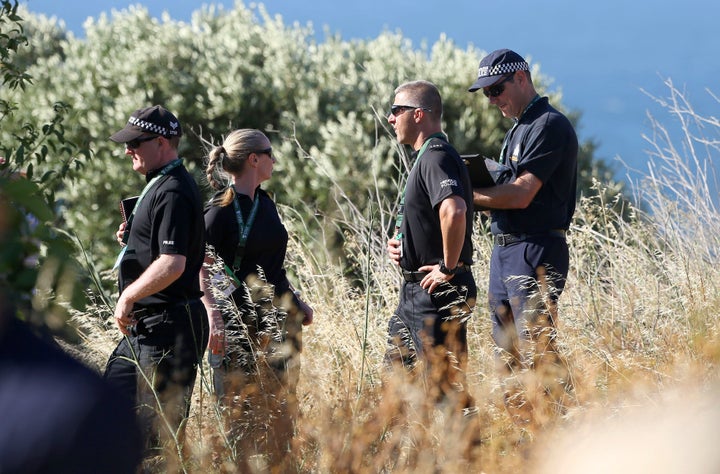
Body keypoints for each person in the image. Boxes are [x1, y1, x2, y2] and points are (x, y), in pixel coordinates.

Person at [468, 49, 577, 427]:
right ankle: (524, 436)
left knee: (537, 348)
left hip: (534, 246)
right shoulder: (521, 128)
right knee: (507, 353)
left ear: (521, 77)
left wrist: (462, 195)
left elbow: (521, 194)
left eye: (497, 89)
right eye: (486, 94)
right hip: (507, 249)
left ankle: (567, 431)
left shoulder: (547, 125)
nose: (493, 100)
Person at [201, 128, 313, 466]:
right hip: (240, 329)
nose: (274, 160)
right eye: (269, 153)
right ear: (253, 159)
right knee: (240, 421)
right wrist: (214, 316)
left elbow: (271, 267)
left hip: (280, 322)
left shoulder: (265, 203)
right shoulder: (218, 210)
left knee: (282, 414)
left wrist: (296, 299)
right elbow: (199, 268)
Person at [102, 105, 209, 457]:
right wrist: (134, 240)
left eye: (136, 142)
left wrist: (127, 296)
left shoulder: (173, 190)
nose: (127, 149)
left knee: (156, 443)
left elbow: (173, 263)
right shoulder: (160, 184)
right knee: (108, 414)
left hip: (169, 326)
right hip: (145, 329)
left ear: (161, 142)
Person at [385, 80, 477, 410]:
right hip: (416, 296)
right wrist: (402, 244)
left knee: (447, 392)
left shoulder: (435, 157)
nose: (391, 118)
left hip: (434, 295)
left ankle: (469, 458)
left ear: (419, 115)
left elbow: (454, 211)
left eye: (397, 110)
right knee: (395, 388)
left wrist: (448, 268)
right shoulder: (429, 157)